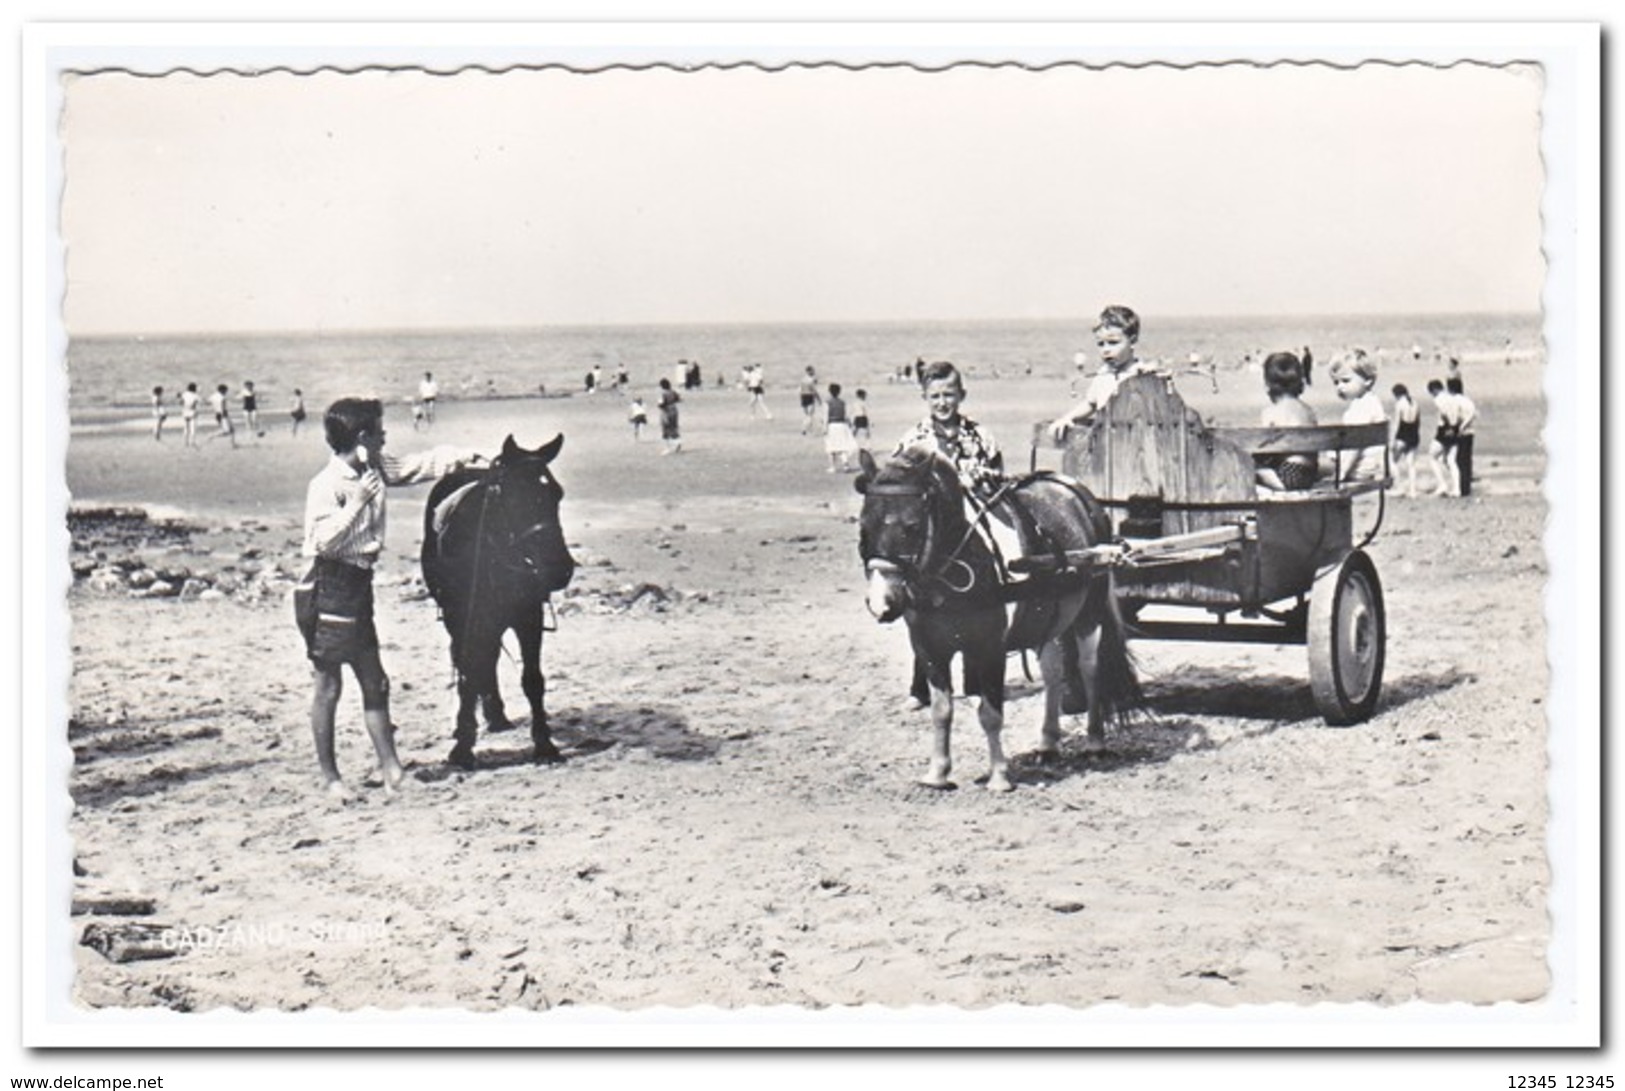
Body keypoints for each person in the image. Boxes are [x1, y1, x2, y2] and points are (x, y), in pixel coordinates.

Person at [295, 397, 481, 801]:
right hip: (328, 585)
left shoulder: (375, 468)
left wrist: (468, 456)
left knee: (375, 681)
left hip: (358, 585)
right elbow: (322, 541)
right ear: (362, 437)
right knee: (328, 686)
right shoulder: (325, 484)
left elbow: (419, 466)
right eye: (379, 431)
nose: (385, 436)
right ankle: (331, 780)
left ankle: (392, 772)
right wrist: (359, 501)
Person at [1048, 305, 1155, 440]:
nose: (1106, 350)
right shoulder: (1103, 374)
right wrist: (1068, 418)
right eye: (1101, 344)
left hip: (1136, 443)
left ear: (1132, 341)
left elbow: (1161, 405)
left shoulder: (1141, 372)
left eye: (1113, 342)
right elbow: (1090, 403)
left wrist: (1154, 378)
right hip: (1106, 441)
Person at [1253, 352, 1319, 491]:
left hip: (1288, 473)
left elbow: (1263, 448)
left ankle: (1278, 488)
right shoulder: (1308, 411)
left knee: (1253, 467)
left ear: (1267, 386)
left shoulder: (1270, 413)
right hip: (1310, 473)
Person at [1328, 355, 1387, 483]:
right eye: (1336, 382)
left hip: (1361, 466)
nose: (1340, 387)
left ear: (1368, 380)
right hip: (1369, 464)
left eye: (1346, 380)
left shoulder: (1364, 407)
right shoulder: (1368, 401)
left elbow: (1356, 444)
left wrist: (1342, 472)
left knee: (1310, 466)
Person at [1426, 378, 1461, 497]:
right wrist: (1454, 426)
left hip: (1445, 429)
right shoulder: (1451, 398)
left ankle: (1442, 485)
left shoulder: (1439, 399)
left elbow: (1444, 413)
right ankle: (1457, 488)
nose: (1432, 396)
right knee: (1451, 460)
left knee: (1432, 457)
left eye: (1432, 393)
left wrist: (1449, 425)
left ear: (1435, 390)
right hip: (1456, 428)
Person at [1389, 383, 1422, 498]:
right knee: (1411, 464)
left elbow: (1397, 424)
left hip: (1403, 434)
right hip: (1414, 434)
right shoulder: (1415, 403)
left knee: (1392, 461)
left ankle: (1400, 487)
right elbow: (1418, 422)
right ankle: (1413, 491)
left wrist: (1392, 440)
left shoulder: (1399, 404)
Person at [1448, 376, 1477, 497]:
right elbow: (1473, 414)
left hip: (1461, 432)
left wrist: (1458, 427)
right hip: (1470, 432)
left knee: (1458, 460)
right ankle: (1466, 487)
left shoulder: (1455, 400)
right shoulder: (1468, 400)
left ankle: (1460, 487)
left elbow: (1454, 417)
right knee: (1467, 460)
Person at [823, 383, 858, 472]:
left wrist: (824, 427)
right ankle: (846, 465)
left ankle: (832, 467)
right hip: (842, 425)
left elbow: (826, 416)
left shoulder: (827, 403)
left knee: (831, 447)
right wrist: (850, 424)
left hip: (832, 425)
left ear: (829, 391)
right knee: (843, 446)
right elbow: (846, 415)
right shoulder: (842, 402)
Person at [207, 383, 238, 448]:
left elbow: (207, 402)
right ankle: (212, 435)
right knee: (227, 431)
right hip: (223, 414)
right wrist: (224, 415)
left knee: (232, 430)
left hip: (217, 414)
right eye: (225, 391)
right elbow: (223, 408)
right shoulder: (222, 397)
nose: (226, 392)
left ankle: (233, 444)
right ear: (222, 390)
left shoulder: (213, 396)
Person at [657, 378, 682, 455]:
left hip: (666, 411)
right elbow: (679, 399)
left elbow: (661, 404)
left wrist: (659, 405)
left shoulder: (663, 394)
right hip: (674, 410)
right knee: (674, 427)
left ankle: (667, 448)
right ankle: (678, 441)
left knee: (665, 429)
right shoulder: (673, 392)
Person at [798, 366, 823, 434]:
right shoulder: (811, 380)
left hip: (803, 396)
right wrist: (819, 399)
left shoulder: (802, 379)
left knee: (807, 414)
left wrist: (801, 398)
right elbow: (814, 390)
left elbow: (800, 390)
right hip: (809, 396)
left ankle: (809, 427)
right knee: (810, 414)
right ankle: (804, 428)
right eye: (812, 371)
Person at [178, 382, 201, 448]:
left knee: (186, 428)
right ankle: (192, 442)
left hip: (185, 411)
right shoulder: (195, 395)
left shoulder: (184, 394)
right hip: (192, 411)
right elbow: (199, 401)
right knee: (193, 428)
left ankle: (186, 442)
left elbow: (181, 402)